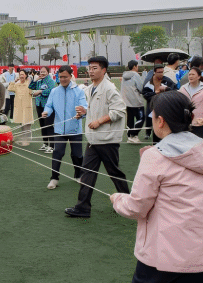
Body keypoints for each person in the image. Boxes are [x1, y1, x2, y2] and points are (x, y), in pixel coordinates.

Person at [65, 57, 129, 219]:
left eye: (95, 68)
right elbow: (96, 110)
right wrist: (84, 113)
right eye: (89, 68)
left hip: (107, 139)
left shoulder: (109, 88)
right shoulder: (90, 88)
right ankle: (82, 207)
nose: (91, 71)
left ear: (104, 70)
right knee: (87, 172)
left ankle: (129, 204)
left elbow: (120, 110)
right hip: (94, 139)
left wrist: (99, 121)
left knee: (114, 172)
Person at [42, 64, 87, 189]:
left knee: (77, 155)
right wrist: (46, 112)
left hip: (75, 130)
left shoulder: (78, 91)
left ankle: (79, 175)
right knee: (57, 152)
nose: (62, 79)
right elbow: (49, 105)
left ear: (71, 76)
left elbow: (84, 106)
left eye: (65, 77)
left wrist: (81, 112)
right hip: (59, 129)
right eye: (60, 77)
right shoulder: (54, 91)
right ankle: (54, 179)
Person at [120, 60, 145, 143]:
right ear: (134, 66)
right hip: (136, 102)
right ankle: (133, 135)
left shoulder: (124, 76)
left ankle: (130, 136)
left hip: (126, 102)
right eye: (137, 66)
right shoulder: (136, 75)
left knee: (130, 120)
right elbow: (141, 88)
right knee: (141, 118)